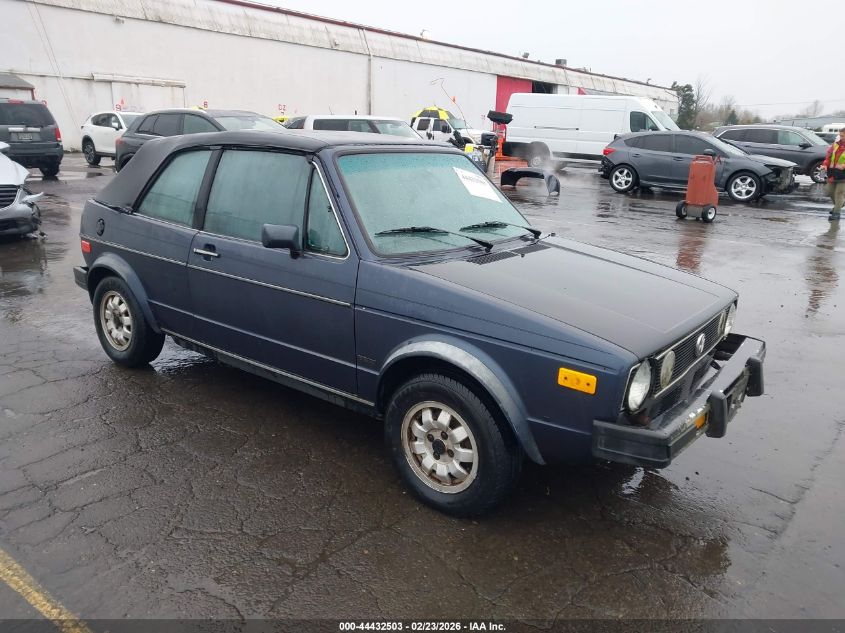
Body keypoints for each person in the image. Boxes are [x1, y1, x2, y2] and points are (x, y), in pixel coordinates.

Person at [821, 127, 845, 221]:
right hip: (833, 173)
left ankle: (836, 213)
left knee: (839, 193)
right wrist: (825, 165)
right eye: (840, 135)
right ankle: (839, 205)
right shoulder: (835, 145)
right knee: (828, 191)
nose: (840, 137)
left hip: (843, 175)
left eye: (842, 136)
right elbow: (828, 157)